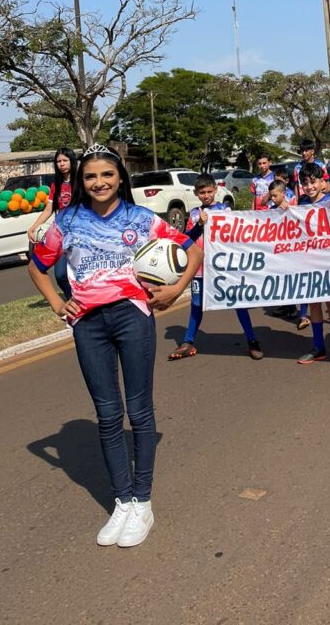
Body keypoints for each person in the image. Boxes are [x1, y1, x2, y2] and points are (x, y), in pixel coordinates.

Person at [29, 144, 202, 547]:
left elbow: (193, 249)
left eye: (107, 174)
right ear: (81, 181)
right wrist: (58, 302)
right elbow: (37, 266)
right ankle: (121, 502)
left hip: (132, 319)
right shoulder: (67, 220)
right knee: (107, 415)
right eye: (90, 176)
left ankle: (143, 501)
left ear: (120, 177)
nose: (99, 182)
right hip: (87, 325)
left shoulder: (140, 218)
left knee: (139, 411)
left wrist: (175, 289)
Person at [168, 174, 264, 360]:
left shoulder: (224, 209)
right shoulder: (195, 213)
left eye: (209, 191)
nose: (206, 195)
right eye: (202, 192)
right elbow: (187, 238)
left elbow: (239, 230)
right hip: (200, 268)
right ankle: (188, 341)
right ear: (196, 194)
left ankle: (252, 340)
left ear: (216, 190)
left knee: (238, 303)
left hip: (223, 267)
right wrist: (199, 224)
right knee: (196, 305)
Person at [296, 162, 330, 369]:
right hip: (309, 262)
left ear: (322, 182)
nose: (309, 187)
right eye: (305, 183)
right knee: (314, 304)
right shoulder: (300, 205)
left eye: (313, 182)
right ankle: (318, 347)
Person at [27, 147, 78, 299]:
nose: (61, 164)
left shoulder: (82, 181)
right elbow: (48, 210)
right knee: (60, 274)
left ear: (72, 161)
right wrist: (33, 227)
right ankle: (72, 301)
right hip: (61, 234)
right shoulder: (56, 185)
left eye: (64, 160)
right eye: (58, 161)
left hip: (81, 232)